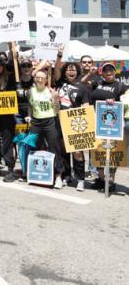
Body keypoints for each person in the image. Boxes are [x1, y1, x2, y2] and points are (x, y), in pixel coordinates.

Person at [54, 52, 90, 191]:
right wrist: (59, 56)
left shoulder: (83, 87)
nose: (71, 71)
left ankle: (80, 179)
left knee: (77, 152)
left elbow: (86, 106)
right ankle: (65, 176)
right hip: (59, 121)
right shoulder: (60, 83)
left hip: (75, 122)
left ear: (77, 72)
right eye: (68, 69)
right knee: (62, 150)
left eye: (73, 69)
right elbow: (56, 69)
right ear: (65, 72)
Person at [89, 62, 126, 192]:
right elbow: (85, 86)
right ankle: (100, 178)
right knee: (98, 149)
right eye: (106, 70)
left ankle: (110, 180)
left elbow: (126, 103)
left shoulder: (121, 86)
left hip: (112, 123)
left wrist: (115, 102)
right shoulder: (97, 83)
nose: (108, 72)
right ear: (102, 73)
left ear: (115, 72)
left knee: (112, 151)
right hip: (96, 120)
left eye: (111, 70)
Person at [26, 70, 65, 189]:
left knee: (55, 148)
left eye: (42, 77)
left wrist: (55, 99)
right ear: (34, 79)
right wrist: (29, 115)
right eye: (37, 77)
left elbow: (57, 110)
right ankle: (33, 173)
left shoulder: (51, 91)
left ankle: (58, 176)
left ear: (46, 79)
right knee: (33, 146)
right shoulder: (30, 91)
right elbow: (30, 105)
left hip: (50, 121)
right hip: (36, 122)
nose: (40, 79)